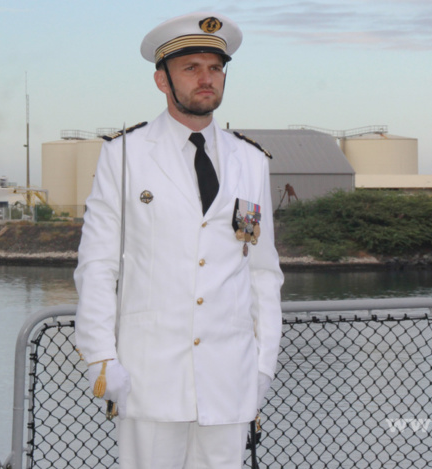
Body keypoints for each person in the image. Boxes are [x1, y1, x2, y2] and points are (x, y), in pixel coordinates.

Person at [74, 11, 284, 469]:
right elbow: (98, 265)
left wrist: (264, 362)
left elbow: (263, 271)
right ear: (162, 81)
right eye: (192, 68)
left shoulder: (250, 161)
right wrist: (101, 359)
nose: (206, 79)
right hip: (150, 373)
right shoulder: (124, 154)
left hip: (231, 376)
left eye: (215, 68)